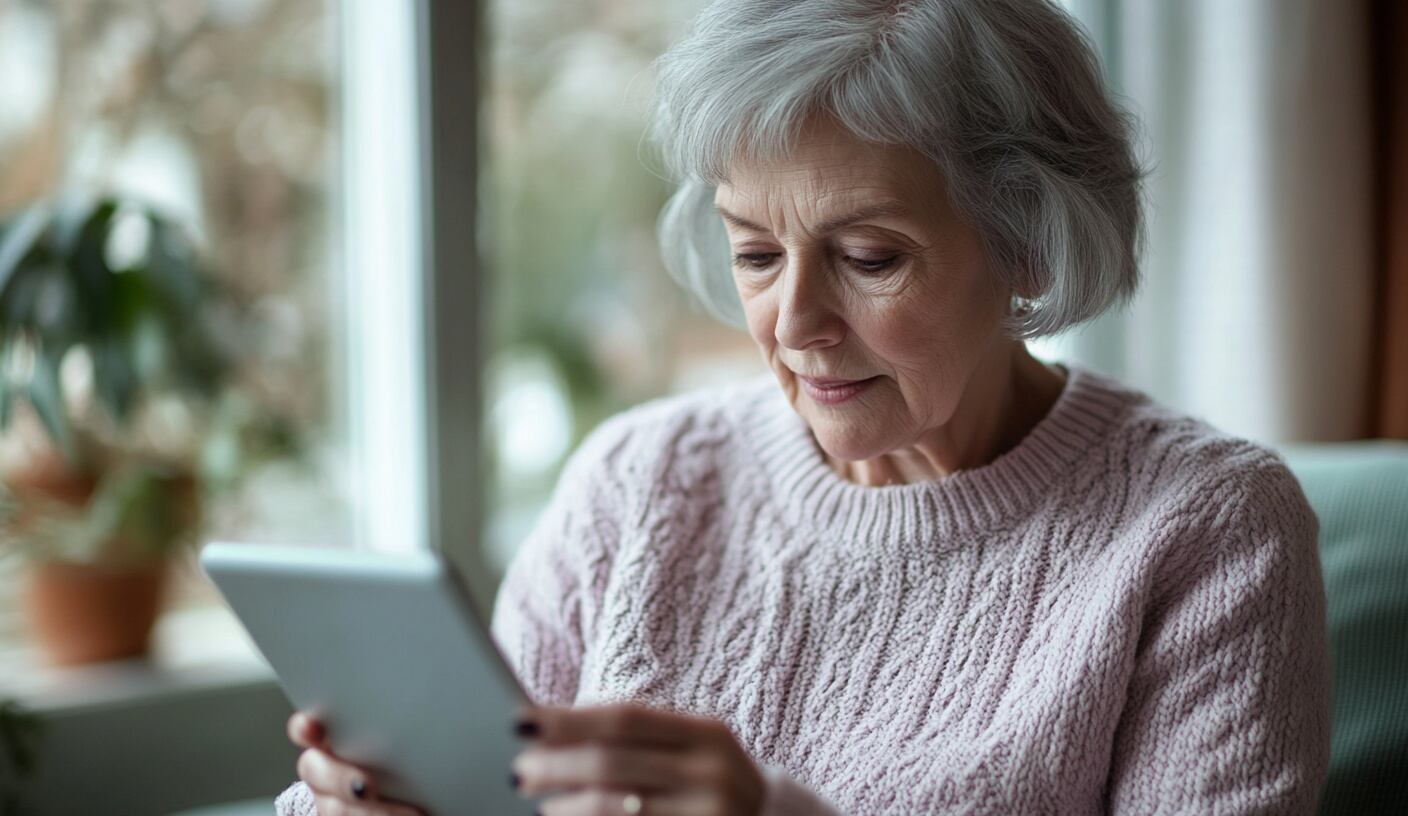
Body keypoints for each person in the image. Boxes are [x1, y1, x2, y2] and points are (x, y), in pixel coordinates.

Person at [275, 0, 1331, 813]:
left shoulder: (1205, 528)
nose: (791, 322)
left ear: (1026, 245)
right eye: (754, 252)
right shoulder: (640, 479)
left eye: (869, 257)